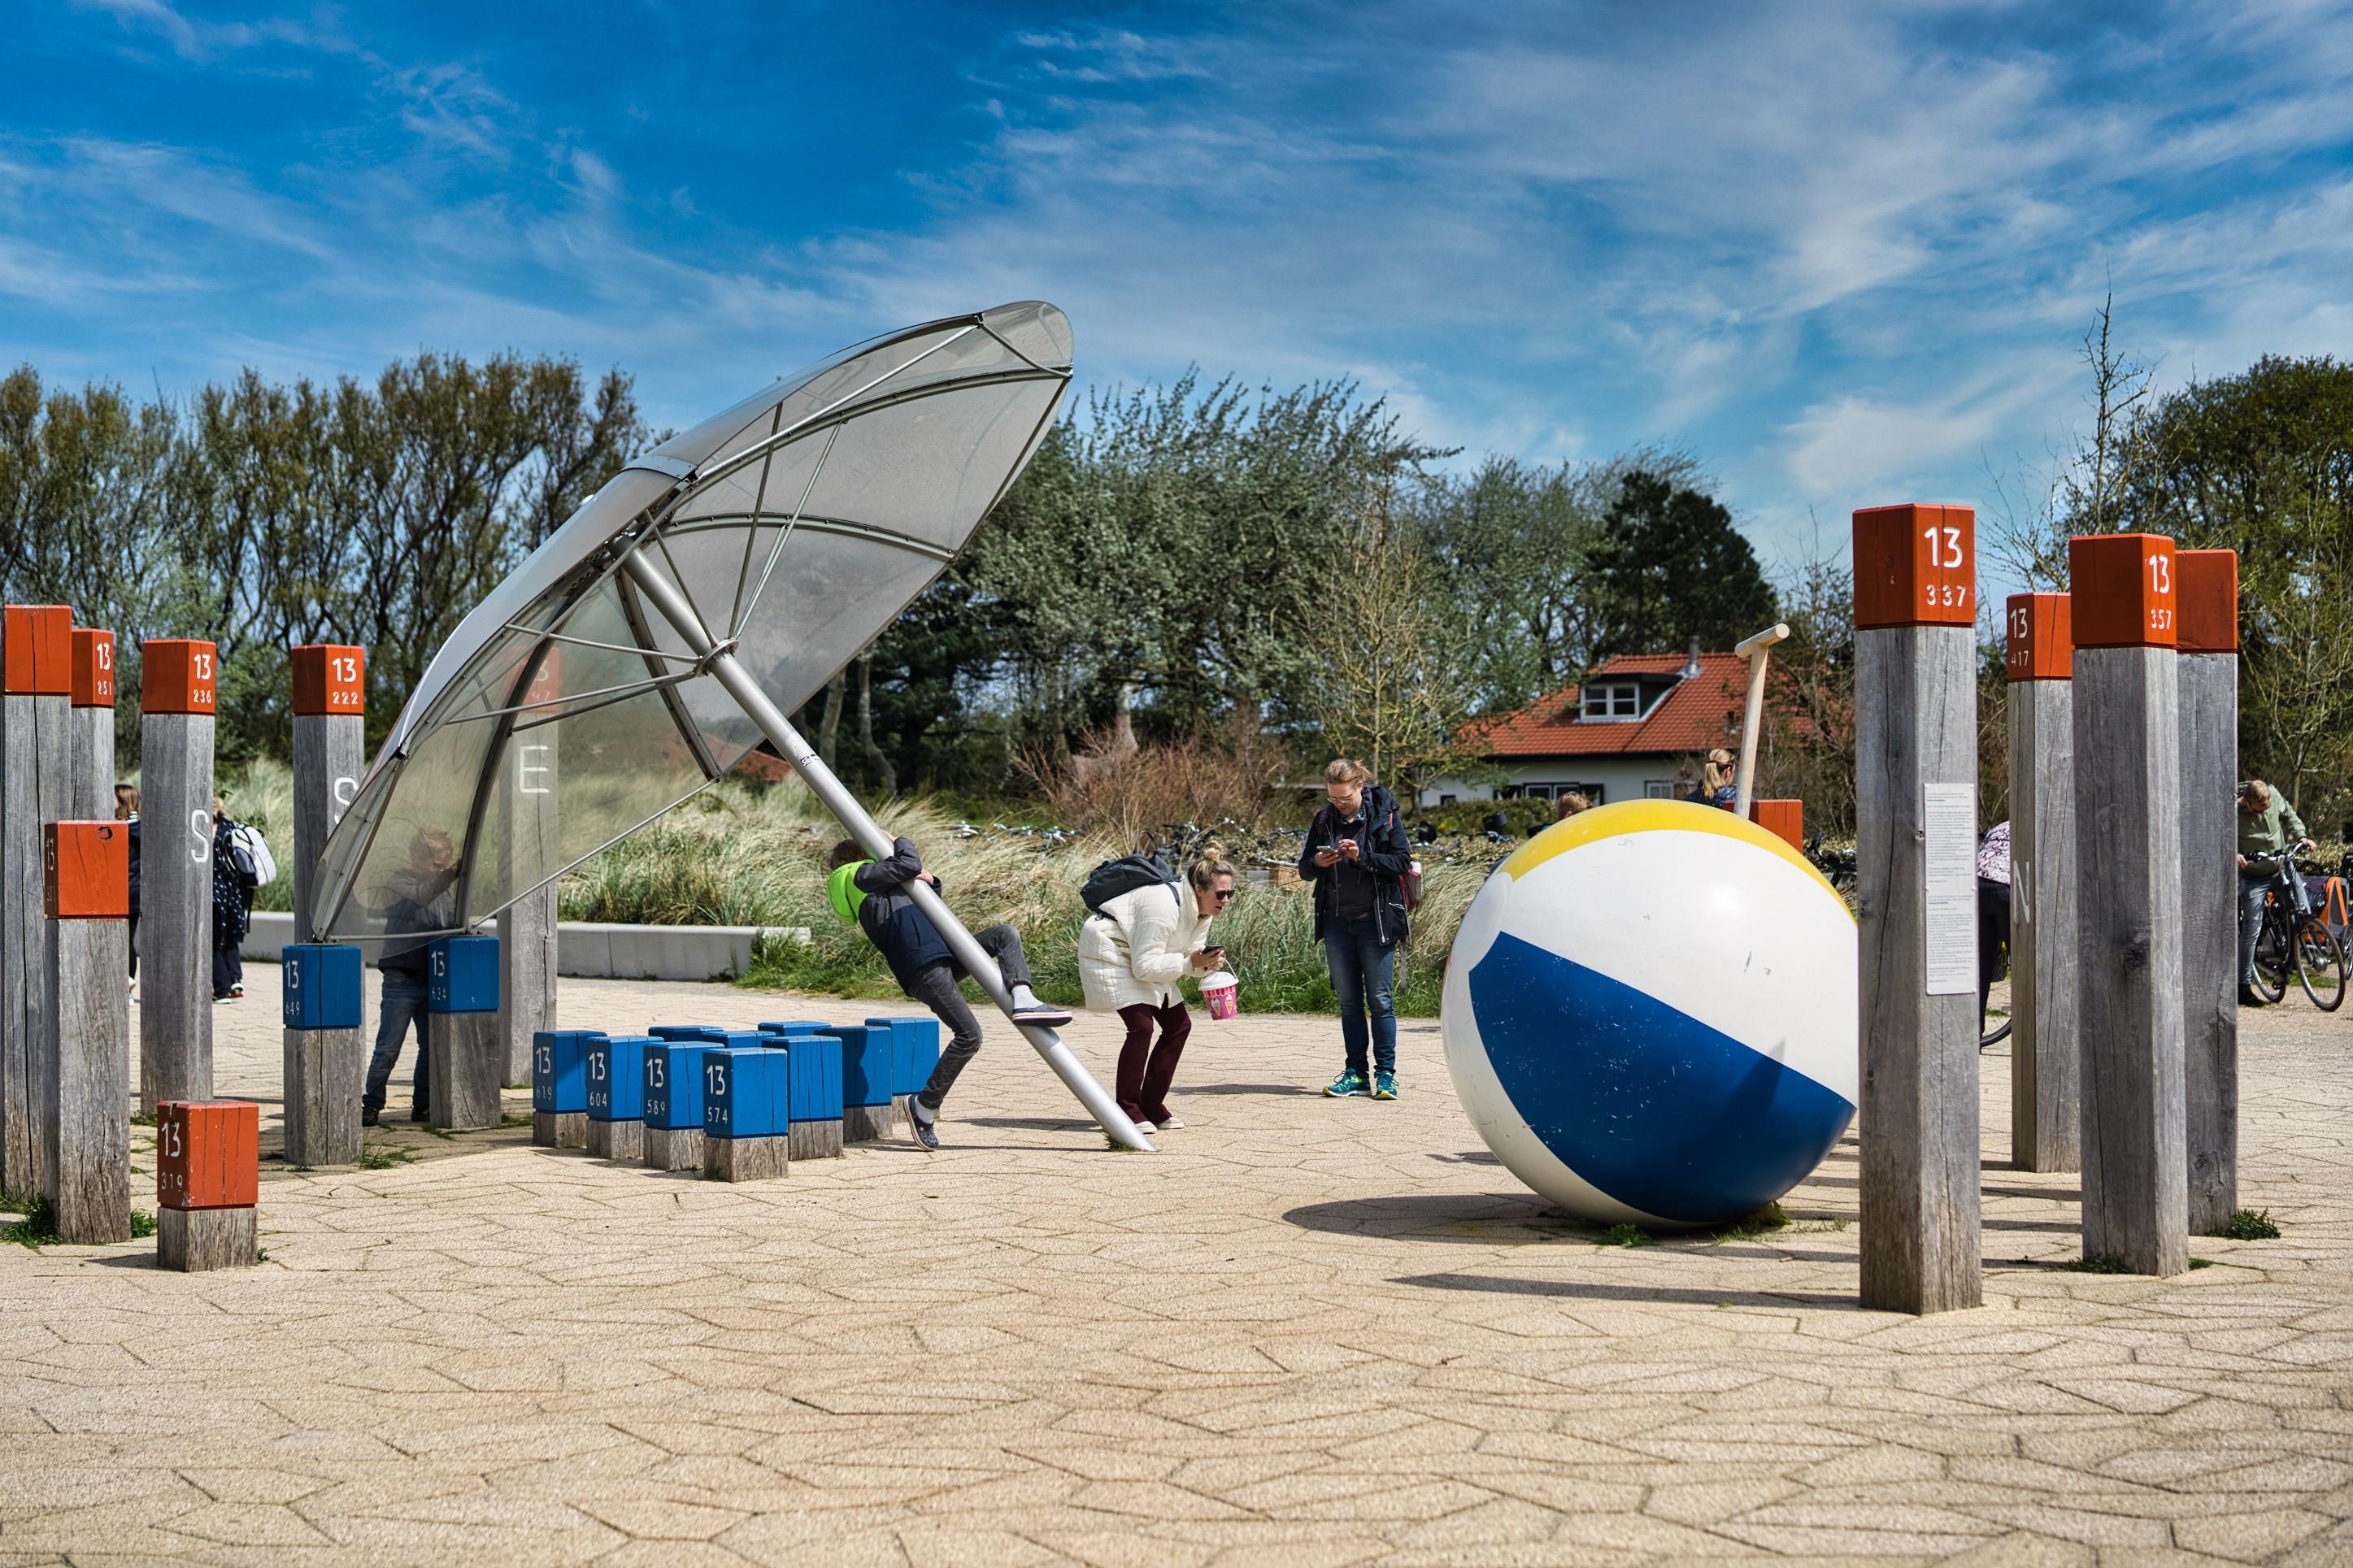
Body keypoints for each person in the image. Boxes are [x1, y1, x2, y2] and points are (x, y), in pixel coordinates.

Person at [827, 836, 1072, 1150]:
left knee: (1004, 935)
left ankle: (1024, 998)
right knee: (969, 1035)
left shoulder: (882, 883)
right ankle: (923, 1106)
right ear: (864, 854)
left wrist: (932, 881)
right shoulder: (857, 877)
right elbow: (909, 864)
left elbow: (929, 902)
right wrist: (898, 840)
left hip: (943, 952)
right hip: (922, 966)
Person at [1078, 852, 1237, 1133]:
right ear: (1199, 889)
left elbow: (1187, 956)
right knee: (1141, 1027)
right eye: (1221, 893)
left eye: (1230, 893)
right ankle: (1126, 1110)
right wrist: (1190, 963)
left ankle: (1151, 1104)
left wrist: (1205, 964)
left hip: (1145, 956)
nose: (1226, 901)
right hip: (1110, 950)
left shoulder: (1205, 911)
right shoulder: (1161, 904)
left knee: (1179, 1026)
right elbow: (1145, 967)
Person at [1298, 758, 1412, 1101]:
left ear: (1360, 786)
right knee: (1349, 1002)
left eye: (1344, 797)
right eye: (1332, 798)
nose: (1338, 804)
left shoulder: (1385, 814)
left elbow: (1402, 862)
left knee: (1380, 1000)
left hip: (1375, 920)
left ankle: (1387, 1075)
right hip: (1336, 920)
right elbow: (1304, 868)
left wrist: (1362, 856)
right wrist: (1318, 863)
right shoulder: (1323, 820)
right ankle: (1356, 1074)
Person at [362, 827, 458, 1126]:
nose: (438, 870)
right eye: (435, 864)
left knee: (429, 1047)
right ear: (416, 858)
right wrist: (449, 875)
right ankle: (372, 1103)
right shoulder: (399, 882)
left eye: (444, 864)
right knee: (389, 1046)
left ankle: (423, 1104)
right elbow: (420, 896)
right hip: (402, 978)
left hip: (432, 977)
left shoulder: (442, 890)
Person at [2237, 779, 2312, 1007]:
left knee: (2303, 907)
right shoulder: (2232, 812)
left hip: (2280, 864)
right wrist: (2232, 853)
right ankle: (2243, 985)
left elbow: (2288, 815)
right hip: (2254, 874)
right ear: (2247, 803)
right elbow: (2220, 835)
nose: (2264, 814)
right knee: (2252, 929)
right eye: (2260, 810)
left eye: (2267, 809)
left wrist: (2301, 835)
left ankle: (2305, 943)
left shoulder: (2272, 795)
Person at [209, 796, 256, 1001]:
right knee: (230, 935)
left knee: (213, 938)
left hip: (214, 889)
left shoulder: (202, 829)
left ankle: (222, 987)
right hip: (235, 889)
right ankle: (236, 979)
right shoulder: (232, 827)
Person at [1977, 820, 2011, 1034]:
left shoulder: (2000, 826)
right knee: (2027, 964)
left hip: (1977, 884)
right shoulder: (2036, 823)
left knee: (1980, 966)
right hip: (2006, 888)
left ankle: (1973, 1033)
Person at [116, 785, 141, 990]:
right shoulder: (142, 828)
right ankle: (128, 981)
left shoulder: (122, 830)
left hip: (123, 892)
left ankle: (127, 981)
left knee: (123, 939)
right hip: (136, 891)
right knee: (128, 939)